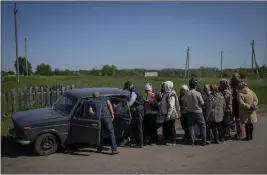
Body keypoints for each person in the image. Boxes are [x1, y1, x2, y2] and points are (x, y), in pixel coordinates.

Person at [185, 77, 208, 146]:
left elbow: (186, 103)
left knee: (191, 127)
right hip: (198, 112)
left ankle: (192, 141)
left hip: (189, 112)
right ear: (195, 85)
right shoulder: (198, 93)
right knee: (203, 126)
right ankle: (204, 141)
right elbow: (202, 103)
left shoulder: (186, 93)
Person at [122, 81, 145, 148]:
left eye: (127, 87)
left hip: (138, 110)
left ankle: (140, 143)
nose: (127, 89)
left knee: (138, 127)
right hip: (138, 110)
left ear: (129, 86)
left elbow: (131, 101)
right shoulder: (135, 90)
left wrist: (125, 109)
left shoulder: (134, 92)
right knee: (136, 127)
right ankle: (137, 141)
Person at [161, 81, 181, 146]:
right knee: (167, 127)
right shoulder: (166, 93)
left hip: (170, 114)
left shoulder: (171, 94)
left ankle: (173, 141)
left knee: (171, 127)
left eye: (165, 86)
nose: (164, 87)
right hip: (166, 113)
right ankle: (168, 139)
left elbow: (171, 106)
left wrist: (168, 116)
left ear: (167, 86)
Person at [230, 72, 242, 139]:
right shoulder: (232, 83)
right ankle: (235, 131)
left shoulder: (240, 83)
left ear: (238, 77)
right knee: (232, 117)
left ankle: (240, 133)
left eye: (235, 77)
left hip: (238, 101)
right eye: (233, 77)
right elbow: (229, 87)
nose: (234, 78)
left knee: (238, 119)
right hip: (233, 101)